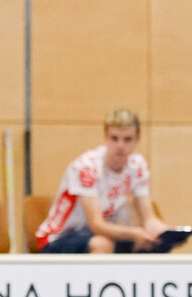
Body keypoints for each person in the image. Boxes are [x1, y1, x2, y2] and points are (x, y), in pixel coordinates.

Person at [36, 108, 170, 253]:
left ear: (137, 139)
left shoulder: (137, 166)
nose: (120, 146)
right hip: (58, 238)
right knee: (102, 243)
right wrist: (134, 233)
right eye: (114, 138)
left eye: (127, 139)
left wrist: (167, 234)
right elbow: (96, 225)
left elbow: (149, 219)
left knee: (151, 244)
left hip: (99, 235)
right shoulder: (87, 167)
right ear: (105, 137)